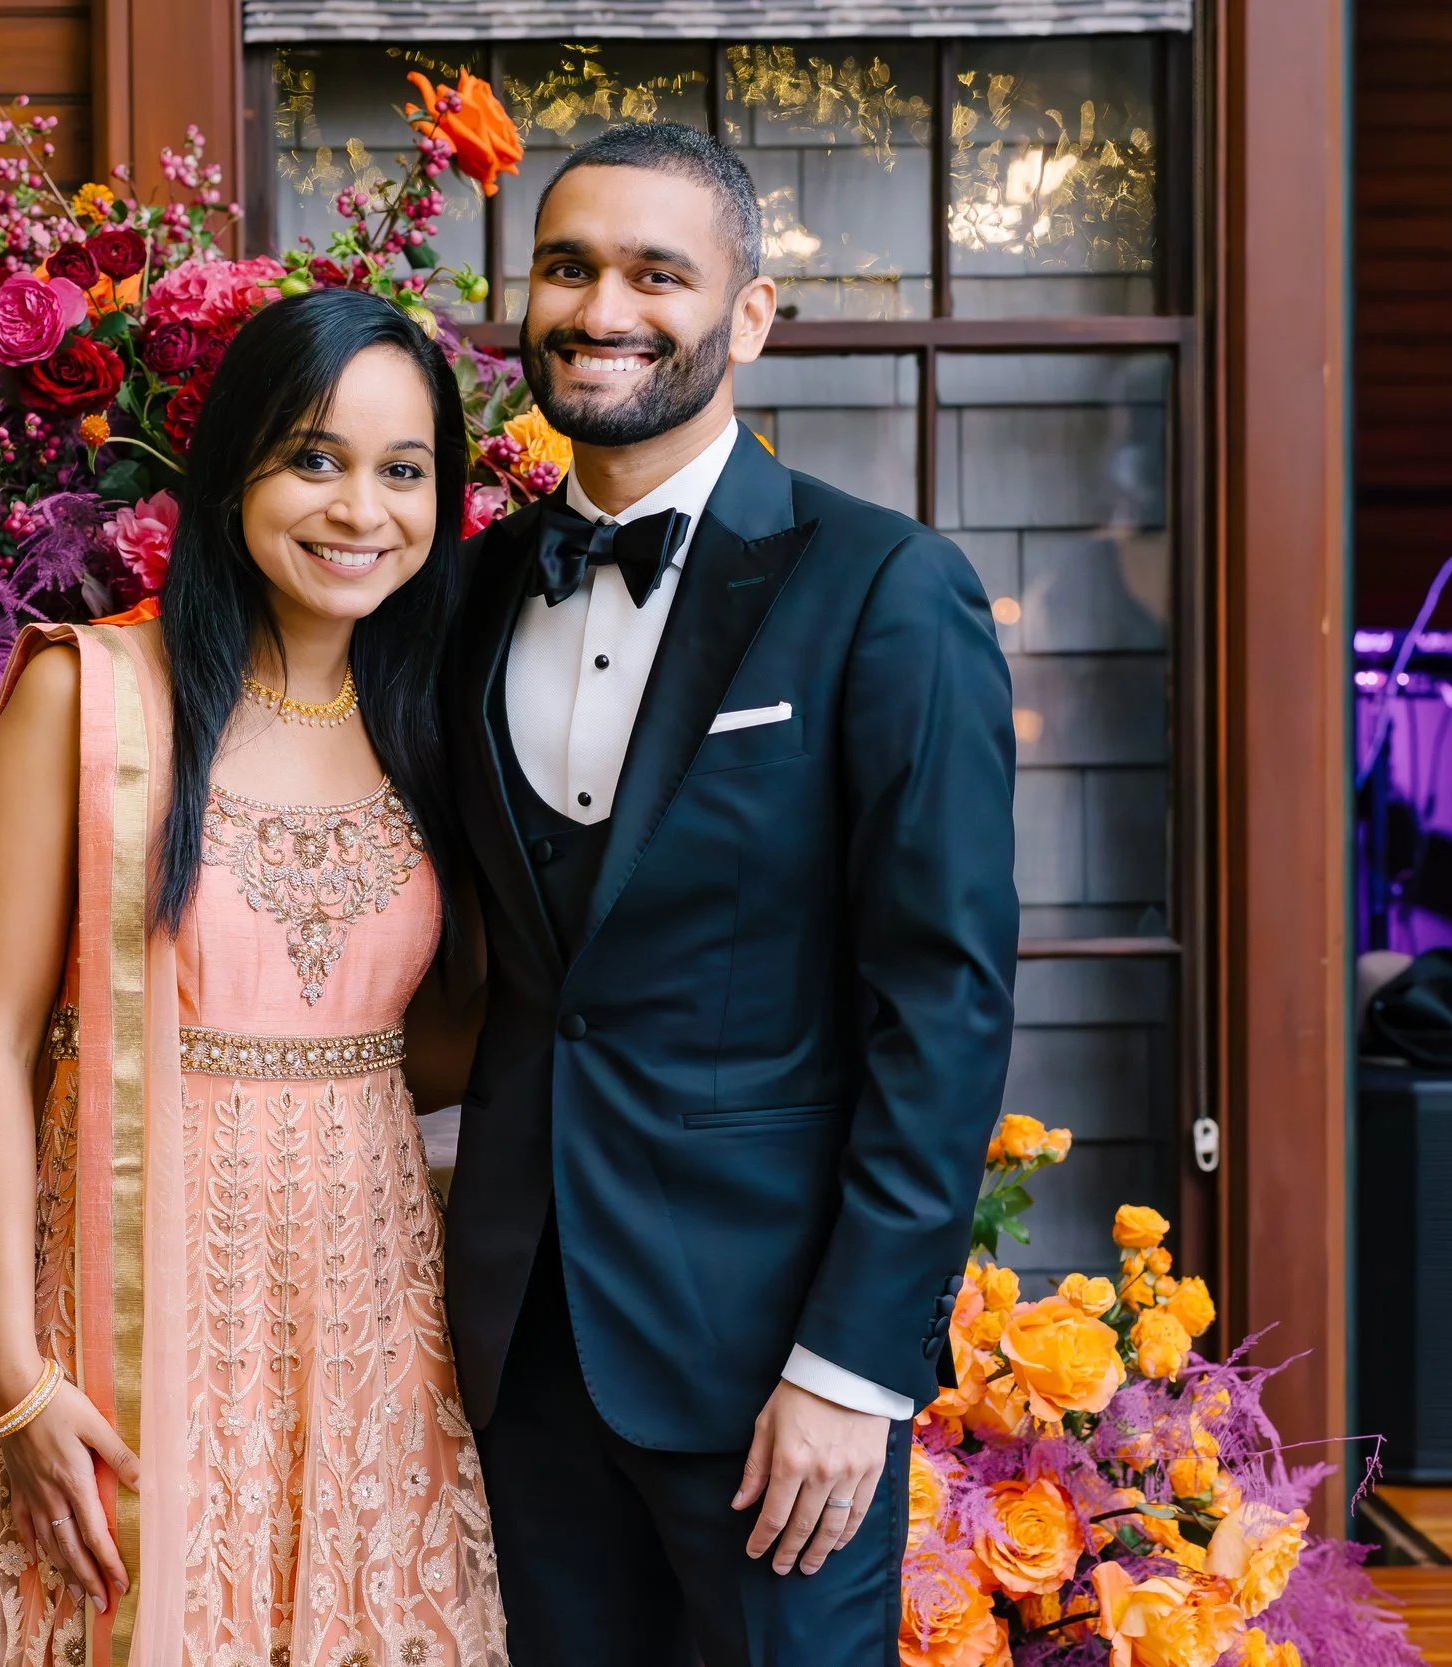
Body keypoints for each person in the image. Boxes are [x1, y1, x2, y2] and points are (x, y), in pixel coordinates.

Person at [442, 122, 1019, 1664]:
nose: (600, 306)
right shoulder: (474, 587)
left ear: (748, 316)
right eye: (567, 267)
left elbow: (943, 1008)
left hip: (775, 1367)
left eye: (655, 272)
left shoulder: (884, 589)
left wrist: (852, 1364)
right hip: (525, 1343)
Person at [0, 287, 509, 1667]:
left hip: (371, 1322)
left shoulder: (438, 723)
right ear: (234, 472)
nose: (360, 510)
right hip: (135, 1305)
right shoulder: (92, 696)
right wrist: (13, 1381)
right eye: (315, 459)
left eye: (405, 472)